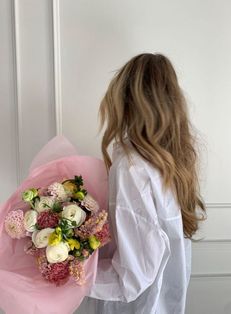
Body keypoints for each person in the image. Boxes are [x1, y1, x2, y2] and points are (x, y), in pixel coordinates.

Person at [77, 53, 206, 314]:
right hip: (164, 302)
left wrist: (73, 276)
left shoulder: (132, 168)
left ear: (126, 101)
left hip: (139, 306)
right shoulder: (173, 161)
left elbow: (131, 279)